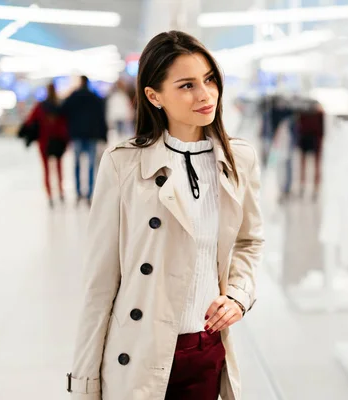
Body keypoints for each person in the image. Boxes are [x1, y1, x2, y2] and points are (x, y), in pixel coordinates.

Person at [67, 31, 264, 400]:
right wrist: (85, 383)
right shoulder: (123, 165)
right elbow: (100, 283)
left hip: (206, 351)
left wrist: (238, 295)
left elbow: (249, 242)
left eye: (209, 79)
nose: (205, 94)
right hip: (138, 354)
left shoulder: (239, 159)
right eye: (187, 85)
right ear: (154, 96)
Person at [61, 75, 108, 205]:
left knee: (76, 164)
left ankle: (78, 192)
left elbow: (62, 111)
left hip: (77, 134)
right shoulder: (94, 97)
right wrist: (104, 135)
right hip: (91, 135)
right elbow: (101, 116)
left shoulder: (73, 97)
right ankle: (89, 194)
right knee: (91, 165)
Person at [24, 82, 69, 208]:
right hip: (59, 141)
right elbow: (64, 125)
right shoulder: (60, 106)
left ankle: (50, 195)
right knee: (59, 168)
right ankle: (60, 191)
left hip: (44, 142)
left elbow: (30, 121)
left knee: (46, 170)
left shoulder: (40, 107)